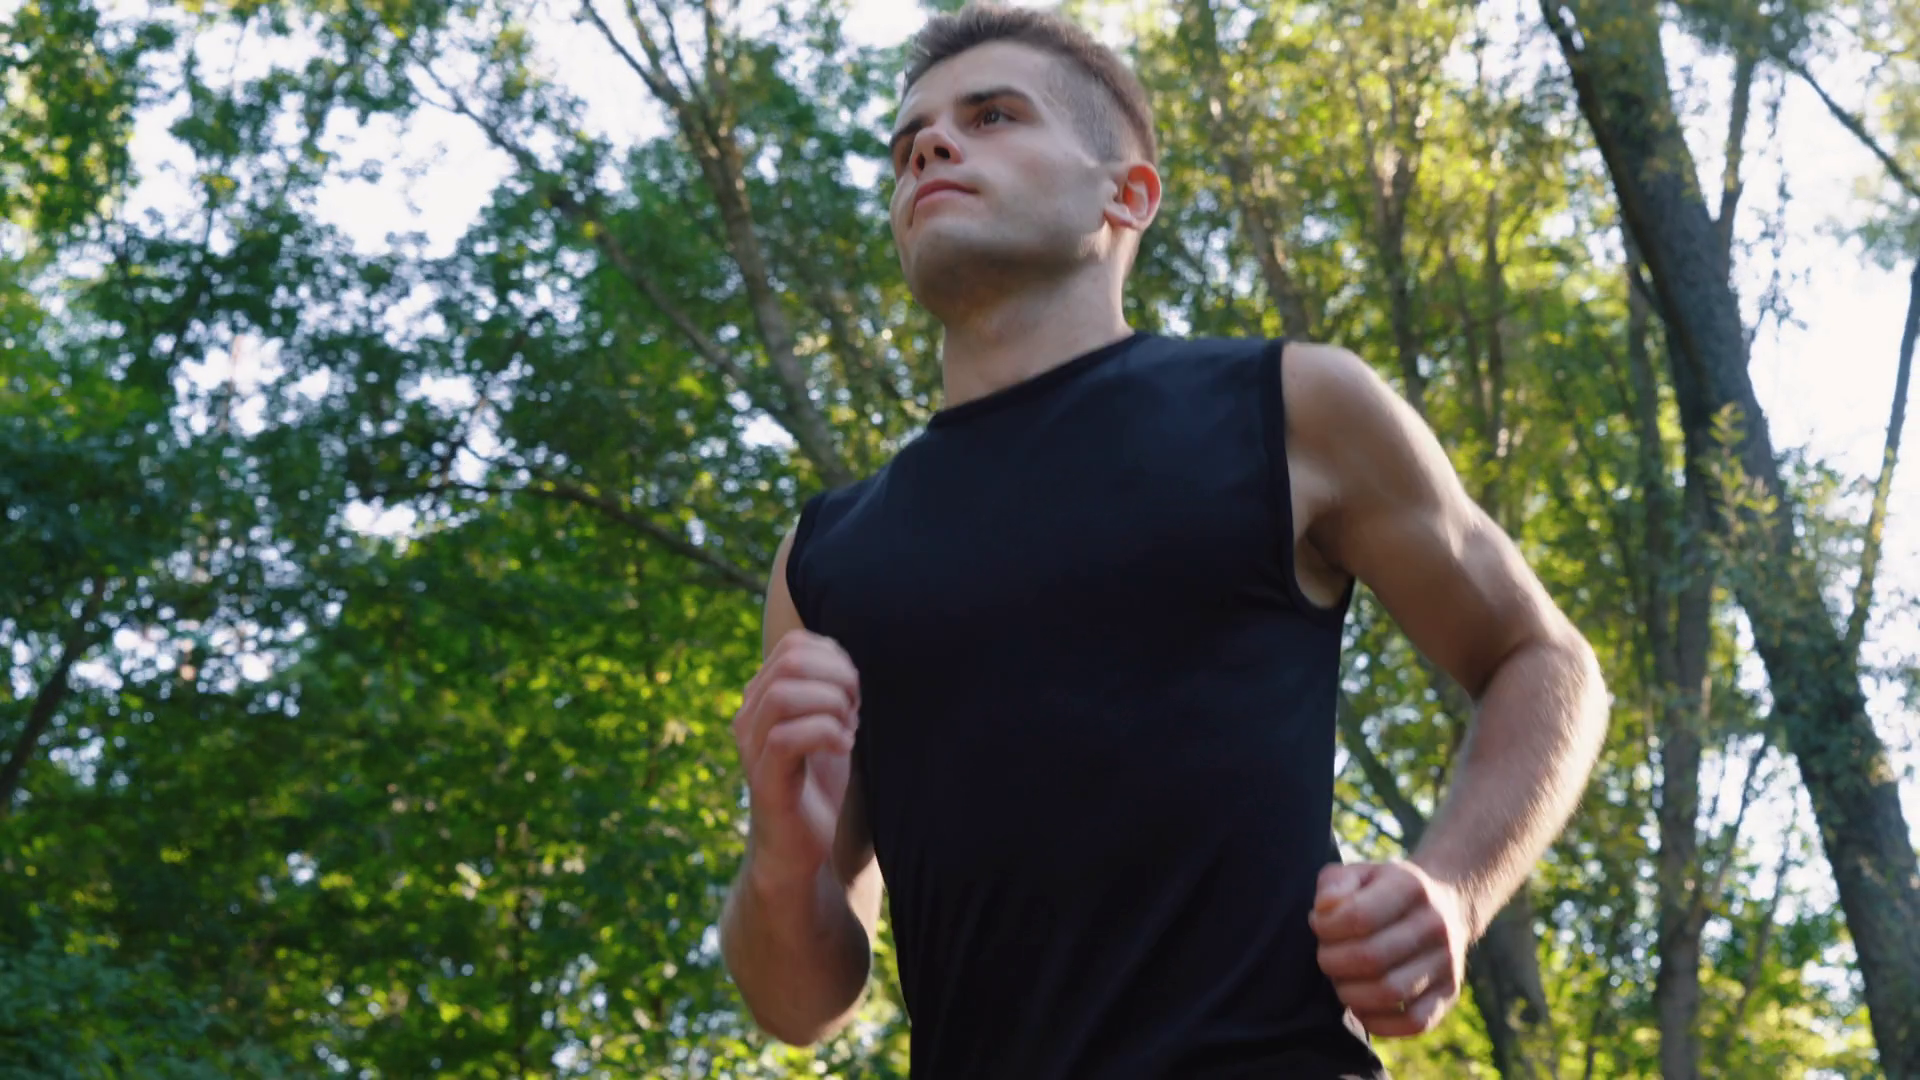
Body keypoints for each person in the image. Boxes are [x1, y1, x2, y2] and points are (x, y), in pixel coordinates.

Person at [717, 4, 1609, 1077]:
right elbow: (800, 1003)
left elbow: (1544, 660)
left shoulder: (1292, 408)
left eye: (992, 116)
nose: (931, 148)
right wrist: (782, 858)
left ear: (1127, 194)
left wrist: (1454, 893)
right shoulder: (826, 556)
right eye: (909, 143)